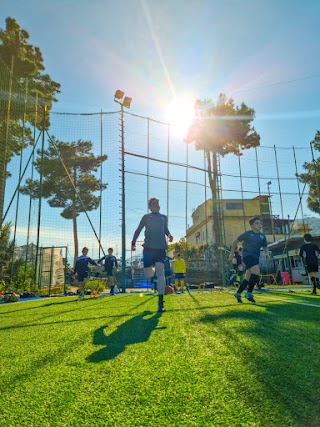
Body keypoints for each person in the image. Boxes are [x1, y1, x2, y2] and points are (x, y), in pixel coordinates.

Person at [131, 197, 173, 312]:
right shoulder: (146, 217)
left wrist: (169, 235)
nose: (156, 205)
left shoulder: (164, 217)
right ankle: (153, 274)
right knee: (148, 274)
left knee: (161, 272)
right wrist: (133, 243)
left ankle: (160, 303)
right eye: (154, 203)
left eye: (158, 203)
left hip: (160, 249)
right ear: (150, 206)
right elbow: (138, 230)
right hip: (148, 249)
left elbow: (165, 229)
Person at [228, 217, 270, 303]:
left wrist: (267, 254)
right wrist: (231, 254)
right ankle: (249, 293)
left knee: (247, 276)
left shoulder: (262, 236)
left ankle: (238, 293)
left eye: (260, 223)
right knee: (256, 272)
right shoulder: (247, 234)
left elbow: (265, 247)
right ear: (251, 225)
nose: (259, 225)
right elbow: (235, 242)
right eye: (257, 223)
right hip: (248, 256)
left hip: (256, 256)